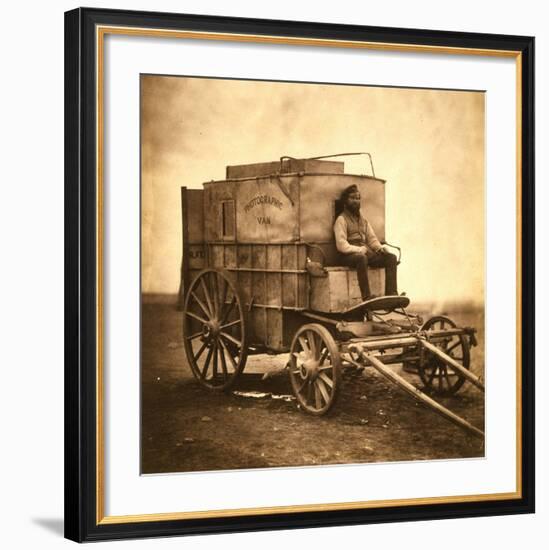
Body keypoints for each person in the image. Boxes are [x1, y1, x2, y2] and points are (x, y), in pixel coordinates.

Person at [333, 184, 398, 300]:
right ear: (345, 201)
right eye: (352, 198)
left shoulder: (363, 220)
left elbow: (371, 238)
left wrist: (379, 248)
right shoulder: (341, 220)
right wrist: (358, 250)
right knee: (361, 258)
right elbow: (341, 245)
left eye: (358, 198)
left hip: (364, 253)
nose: (356, 201)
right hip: (347, 256)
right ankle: (366, 296)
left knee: (391, 258)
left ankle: (391, 294)